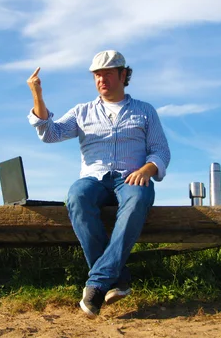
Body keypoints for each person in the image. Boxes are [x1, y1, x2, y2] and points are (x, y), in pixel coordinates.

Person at [26, 50, 171, 319]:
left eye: (107, 73)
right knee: (76, 196)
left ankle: (97, 284)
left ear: (123, 75)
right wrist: (37, 94)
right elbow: (50, 133)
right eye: (96, 75)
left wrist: (148, 169)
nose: (101, 79)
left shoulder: (145, 111)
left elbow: (161, 151)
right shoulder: (82, 111)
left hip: (131, 177)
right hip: (94, 179)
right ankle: (115, 279)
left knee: (138, 197)